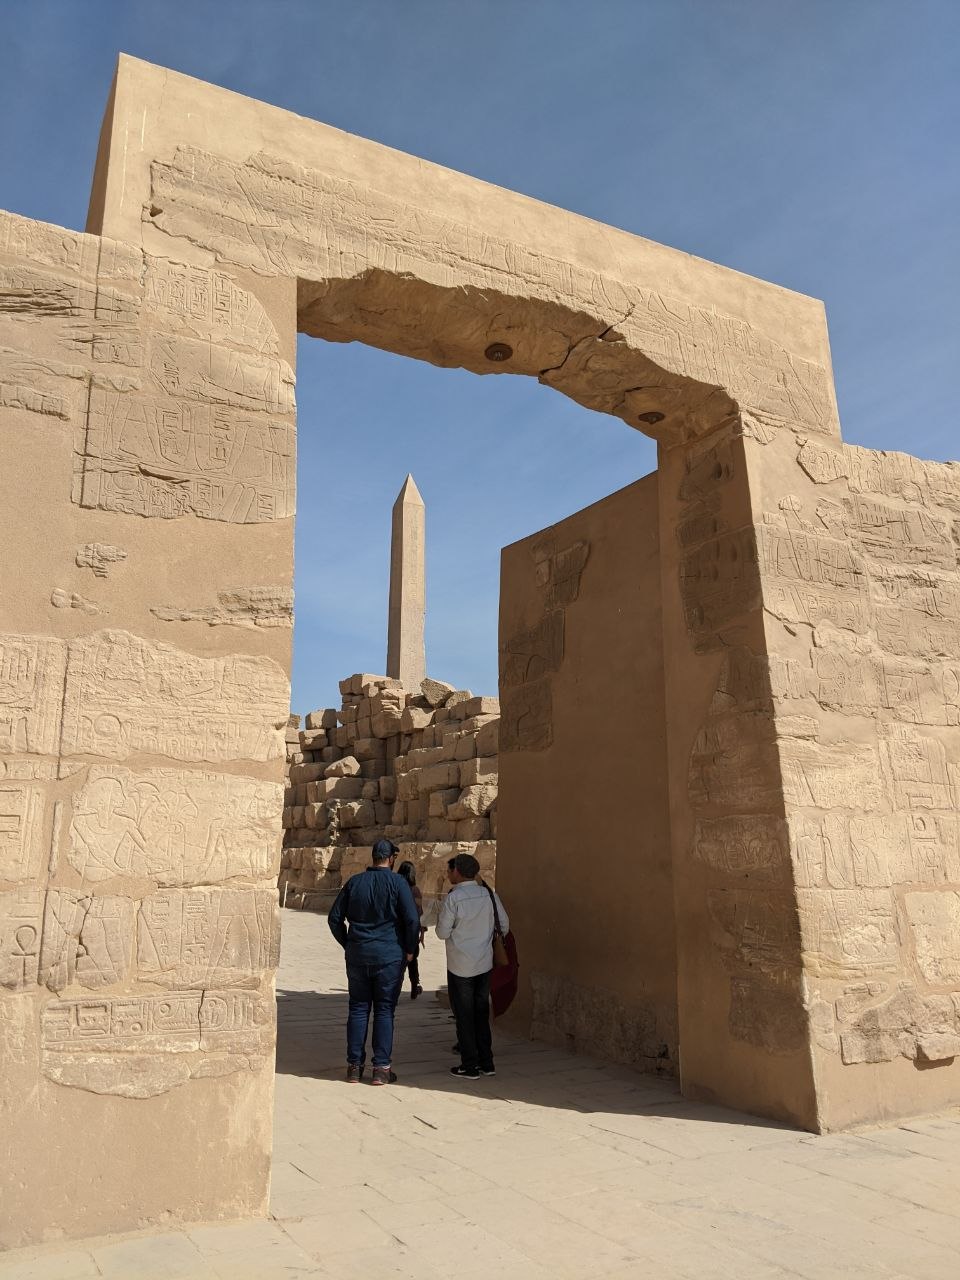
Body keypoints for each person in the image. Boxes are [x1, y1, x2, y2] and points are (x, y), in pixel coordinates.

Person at [328, 838, 420, 1085]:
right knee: (384, 1010)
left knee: (358, 1008)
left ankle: (354, 1067)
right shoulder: (398, 883)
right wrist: (410, 950)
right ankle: (381, 1069)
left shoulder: (355, 882)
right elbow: (412, 919)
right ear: (391, 859)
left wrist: (348, 943)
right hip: (389, 955)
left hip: (359, 954)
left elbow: (334, 918)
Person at [436, 851, 509, 1082]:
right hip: (484, 962)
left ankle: (469, 1065)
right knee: (480, 1012)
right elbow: (504, 926)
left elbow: (441, 932)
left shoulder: (453, 898)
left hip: (460, 965)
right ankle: (486, 1062)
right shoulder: (489, 895)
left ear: (457, 871)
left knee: (465, 1016)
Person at [395, 860, 425, 999]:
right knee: (412, 960)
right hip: (412, 930)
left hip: (397, 929)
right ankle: (414, 985)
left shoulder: (395, 887)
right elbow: (419, 912)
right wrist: (422, 930)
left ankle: (395, 989)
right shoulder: (415, 890)